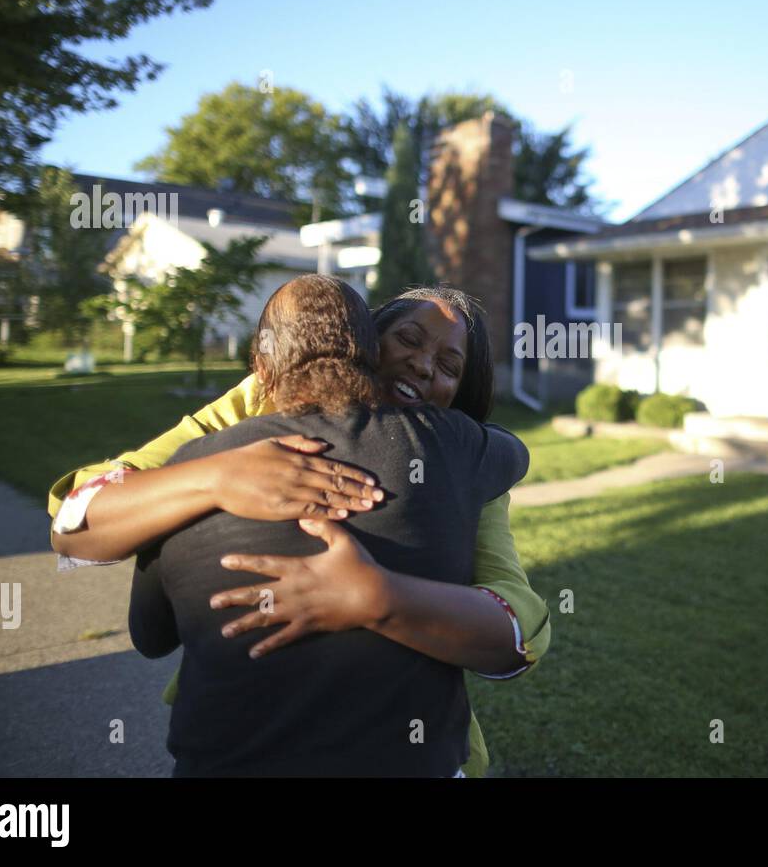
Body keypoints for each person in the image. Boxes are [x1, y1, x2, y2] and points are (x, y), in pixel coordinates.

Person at [47, 284, 550, 777]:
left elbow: (519, 629)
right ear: (363, 342)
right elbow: (77, 522)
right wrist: (214, 477)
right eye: (410, 339)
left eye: (448, 366)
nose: (422, 365)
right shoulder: (256, 402)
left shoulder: (465, 467)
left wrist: (379, 597)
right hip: (244, 731)